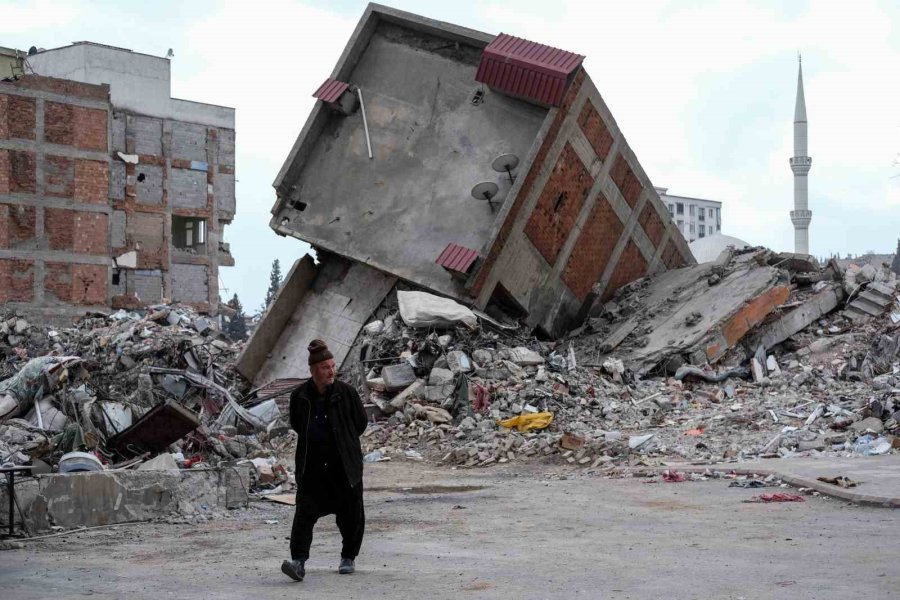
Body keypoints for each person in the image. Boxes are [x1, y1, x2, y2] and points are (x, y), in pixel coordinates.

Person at [281, 339, 368, 582]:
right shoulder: (300, 396)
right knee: (304, 515)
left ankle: (348, 557)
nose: (330, 371)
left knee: (351, 514)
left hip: (344, 467)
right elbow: (298, 425)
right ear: (313, 371)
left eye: (332, 366)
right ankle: (298, 562)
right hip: (313, 467)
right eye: (325, 367)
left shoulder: (347, 393)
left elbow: (360, 423)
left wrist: (345, 443)